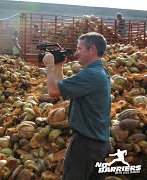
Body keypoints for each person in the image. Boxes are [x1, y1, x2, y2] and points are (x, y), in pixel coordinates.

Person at [42, 32, 111, 180]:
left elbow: (53, 91)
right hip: (98, 143)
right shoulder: (99, 72)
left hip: (86, 145)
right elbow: (62, 90)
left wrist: (49, 66)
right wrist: (59, 66)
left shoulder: (91, 75)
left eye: (79, 49)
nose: (76, 53)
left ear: (92, 50)